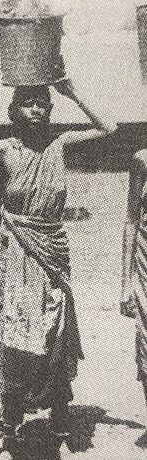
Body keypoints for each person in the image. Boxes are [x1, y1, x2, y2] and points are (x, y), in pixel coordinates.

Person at [0, 80, 116, 442]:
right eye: (28, 103)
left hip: (52, 250)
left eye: (43, 102)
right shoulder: (2, 153)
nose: (37, 109)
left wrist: (73, 91)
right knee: (17, 329)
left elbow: (109, 128)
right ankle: (11, 411)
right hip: (17, 255)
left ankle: (59, 406)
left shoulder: (59, 145)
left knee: (55, 328)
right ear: (14, 110)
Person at [120, 148, 147, 447]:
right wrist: (125, 282)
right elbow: (130, 220)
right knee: (146, 344)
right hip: (145, 262)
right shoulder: (142, 159)